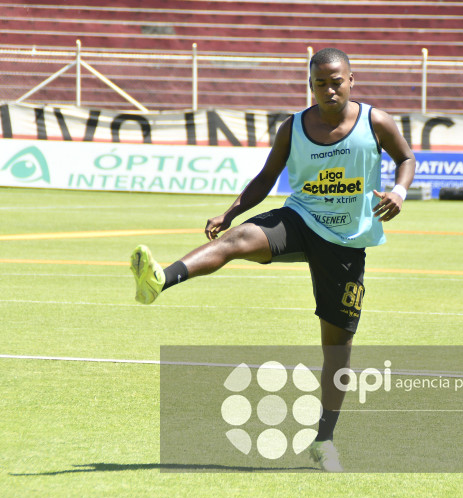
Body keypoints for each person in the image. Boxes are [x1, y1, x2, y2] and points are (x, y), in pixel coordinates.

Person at [130, 47, 415, 472]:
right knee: (238, 238)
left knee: (337, 351)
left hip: (346, 242)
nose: (329, 90)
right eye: (320, 83)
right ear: (310, 85)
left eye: (337, 82)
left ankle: (324, 440)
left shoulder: (376, 122)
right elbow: (266, 177)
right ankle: (160, 279)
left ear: (351, 80)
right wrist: (230, 213)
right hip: (300, 219)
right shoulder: (293, 128)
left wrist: (399, 192)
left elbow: (406, 158)